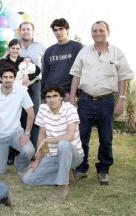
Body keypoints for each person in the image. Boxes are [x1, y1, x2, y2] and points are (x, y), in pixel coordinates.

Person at [69, 21, 134, 185]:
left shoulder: (117, 53)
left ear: (108, 32)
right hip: (85, 100)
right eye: (95, 30)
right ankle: (81, 168)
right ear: (91, 33)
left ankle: (103, 170)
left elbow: (123, 77)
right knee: (81, 137)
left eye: (101, 30)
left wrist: (121, 100)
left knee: (106, 138)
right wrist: (71, 97)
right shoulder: (84, 52)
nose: (98, 33)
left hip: (107, 102)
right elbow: (76, 75)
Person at [22, 86, 84, 201]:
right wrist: (37, 160)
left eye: (55, 96)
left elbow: (69, 136)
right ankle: (66, 175)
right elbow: (41, 135)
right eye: (48, 97)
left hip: (74, 155)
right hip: (54, 156)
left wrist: (47, 140)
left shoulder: (70, 109)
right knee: (28, 179)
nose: (52, 99)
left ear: (61, 97)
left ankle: (62, 187)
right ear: (45, 99)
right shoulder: (43, 109)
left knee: (63, 144)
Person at [0, 65, 35, 174]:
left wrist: (27, 133)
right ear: (0, 78)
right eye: (5, 77)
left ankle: (20, 165)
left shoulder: (21, 91)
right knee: (1, 171)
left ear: (14, 78)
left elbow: (31, 113)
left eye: (11, 77)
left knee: (29, 150)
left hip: (16, 132)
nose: (8, 80)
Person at [19, 22, 46, 147]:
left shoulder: (40, 47)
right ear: (20, 31)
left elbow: (45, 67)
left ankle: (34, 147)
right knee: (18, 115)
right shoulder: (15, 46)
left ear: (33, 31)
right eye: (23, 29)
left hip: (35, 85)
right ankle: (17, 148)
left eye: (28, 29)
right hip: (18, 86)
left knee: (34, 115)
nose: (25, 31)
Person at [42, 18, 83, 97]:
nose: (58, 32)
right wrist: (43, 96)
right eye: (55, 30)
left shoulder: (77, 47)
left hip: (69, 94)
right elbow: (45, 75)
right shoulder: (49, 51)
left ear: (67, 30)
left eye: (61, 29)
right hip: (51, 94)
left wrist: (73, 94)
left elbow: (81, 71)